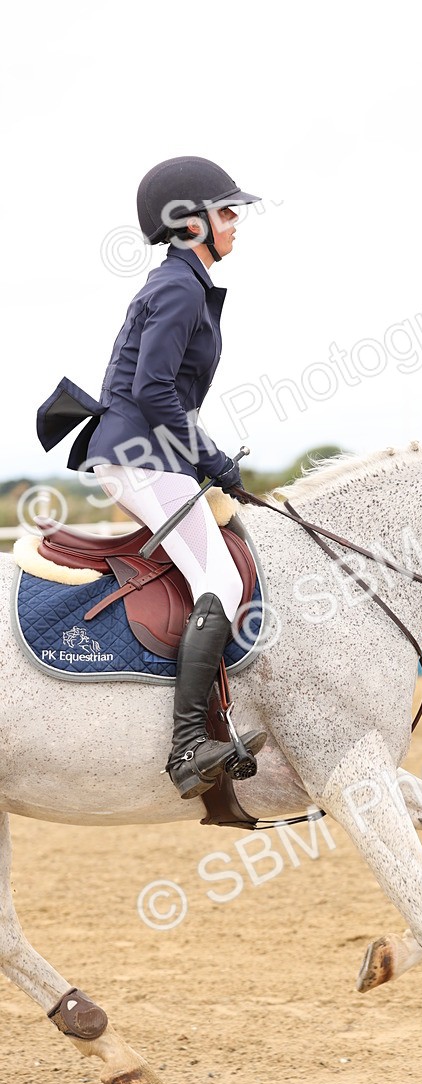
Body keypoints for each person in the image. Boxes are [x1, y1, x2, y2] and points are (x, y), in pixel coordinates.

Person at [43, 156, 268, 799]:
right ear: (190, 224)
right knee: (219, 579)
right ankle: (188, 744)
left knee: (216, 564)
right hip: (141, 453)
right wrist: (211, 456)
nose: (235, 225)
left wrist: (200, 455)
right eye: (227, 213)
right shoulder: (178, 288)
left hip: (149, 450)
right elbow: (154, 389)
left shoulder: (185, 285)